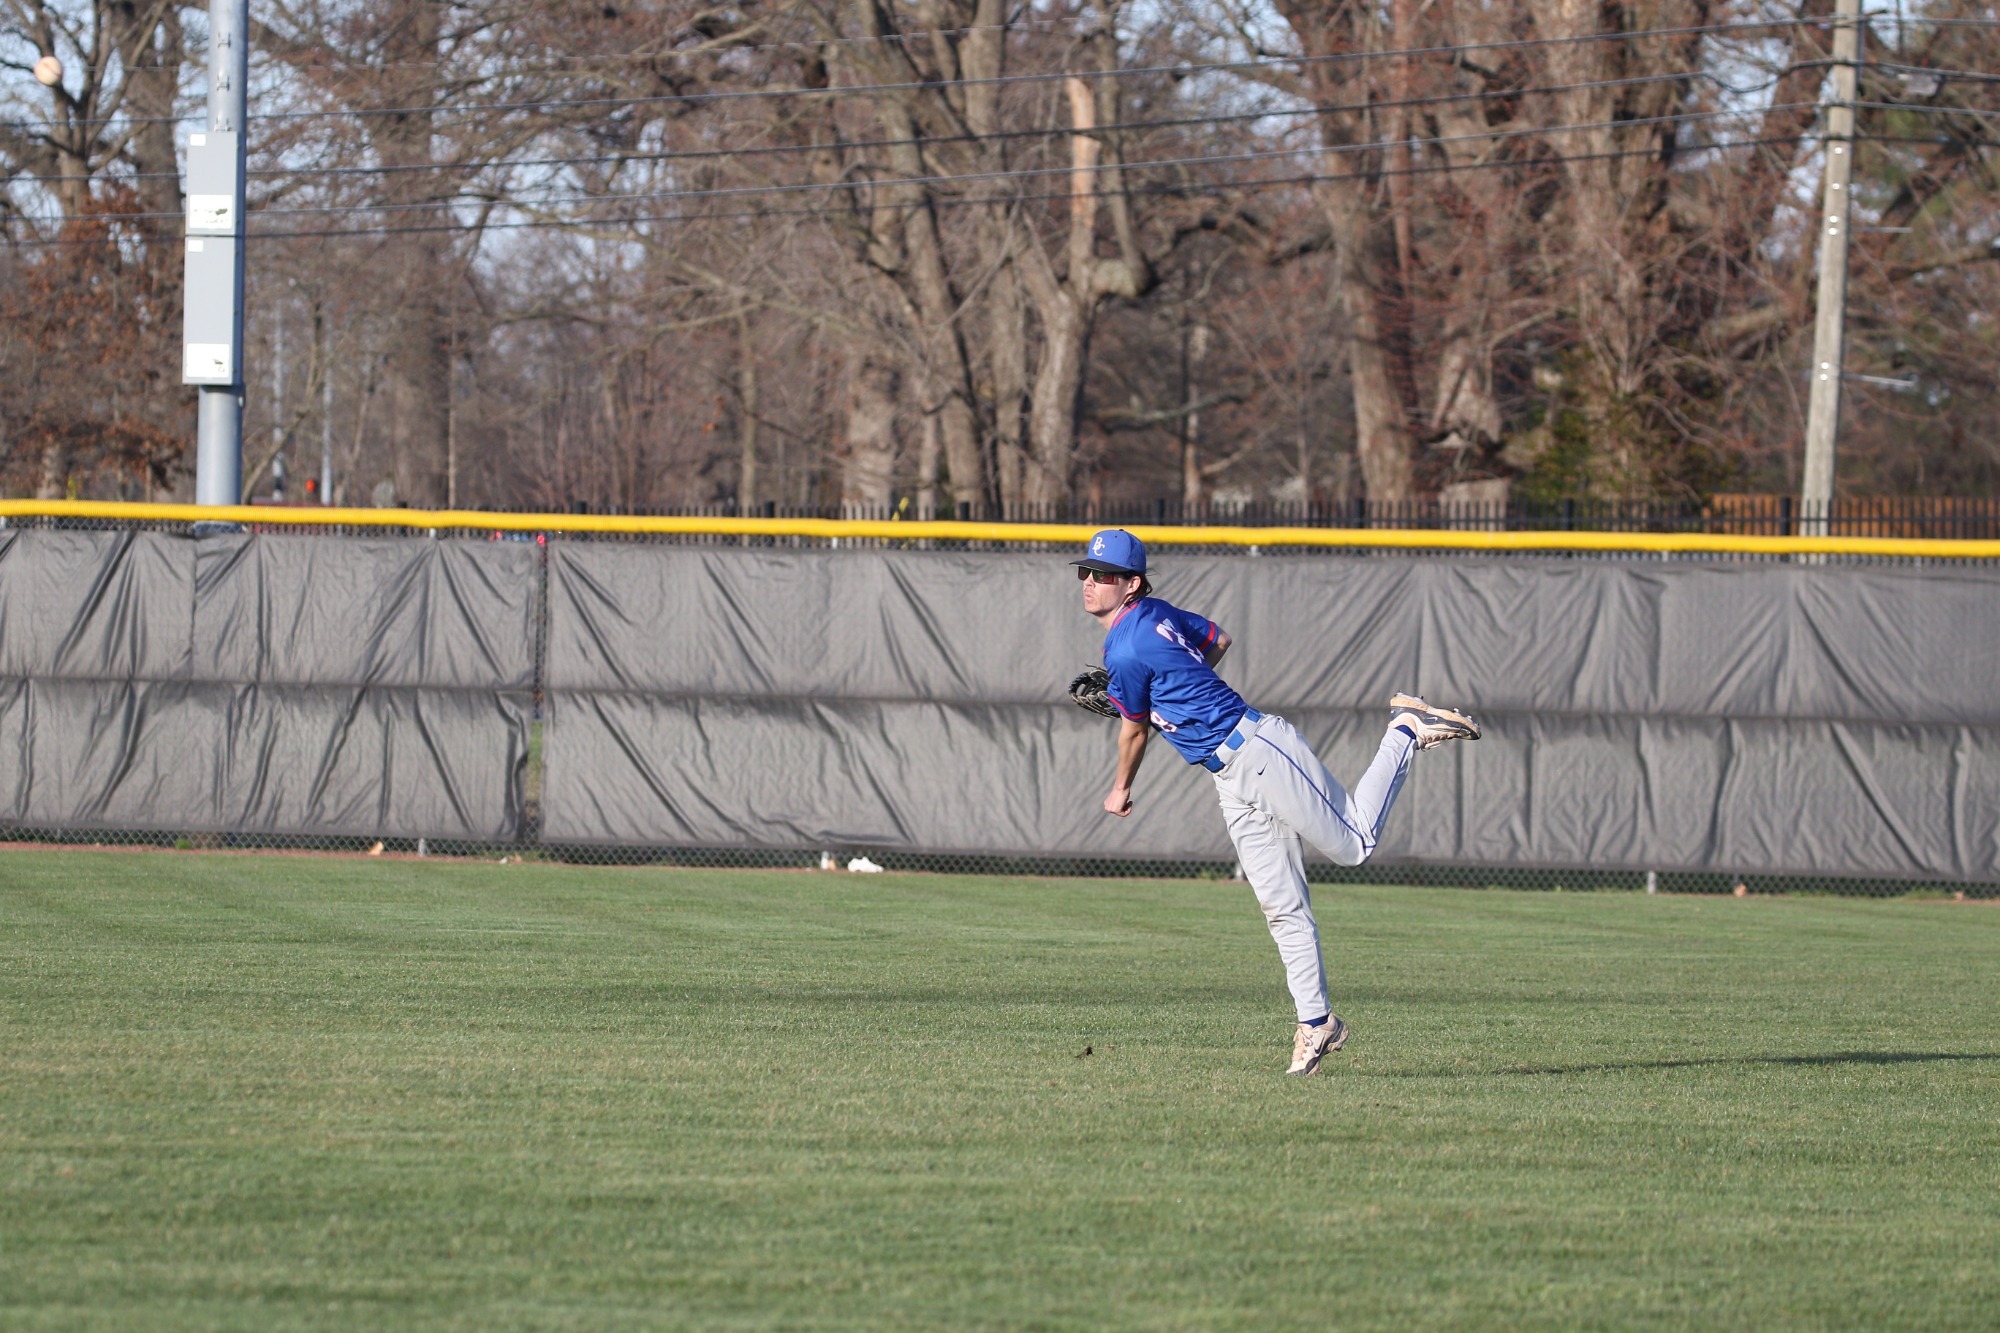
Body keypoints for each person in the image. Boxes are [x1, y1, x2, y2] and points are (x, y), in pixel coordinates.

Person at [1072, 528, 1481, 1076]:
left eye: (1104, 575)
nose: (1091, 582)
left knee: (1354, 843)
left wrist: (1121, 788)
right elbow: (1216, 639)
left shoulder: (1127, 645)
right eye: (1087, 572)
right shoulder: (1155, 615)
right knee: (1281, 907)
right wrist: (1182, 689)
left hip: (1258, 752)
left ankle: (1404, 730)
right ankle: (1317, 1024)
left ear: (1131, 585)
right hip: (1229, 774)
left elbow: (1134, 731)